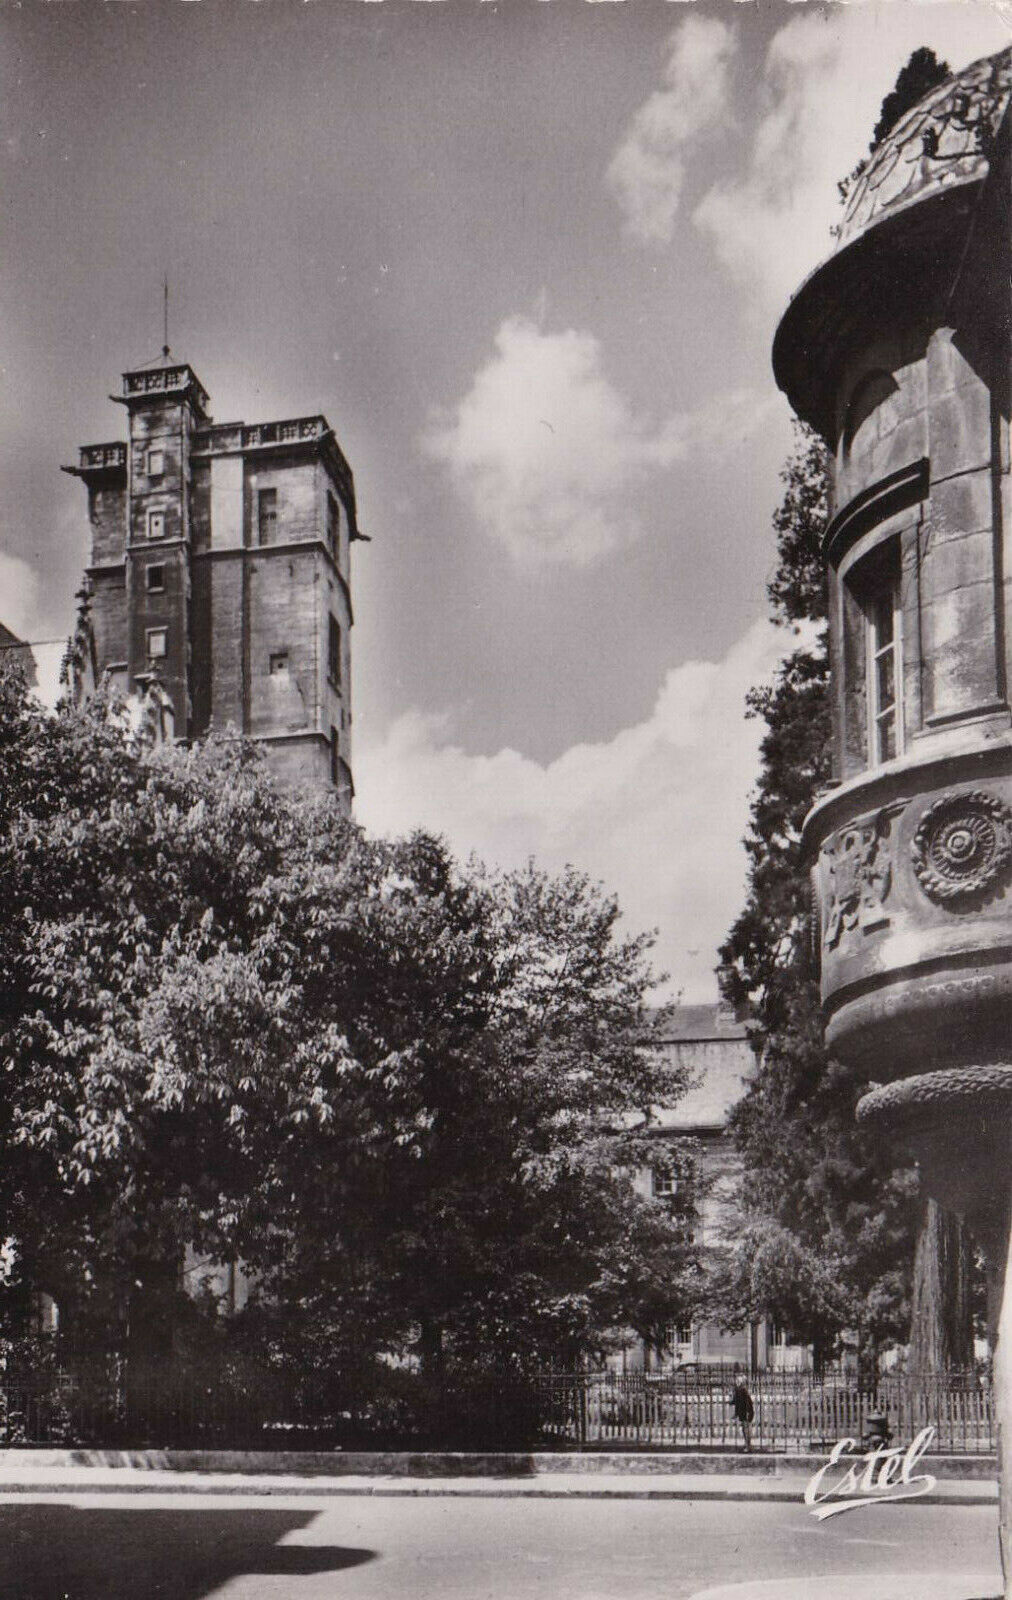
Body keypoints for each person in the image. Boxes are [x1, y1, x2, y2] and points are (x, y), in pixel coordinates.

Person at [731, 1372, 754, 1452]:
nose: (736, 1382)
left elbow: (748, 1402)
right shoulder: (738, 1390)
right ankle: (747, 1444)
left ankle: (748, 1446)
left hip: (746, 1412)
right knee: (744, 1429)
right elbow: (736, 1402)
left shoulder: (743, 1390)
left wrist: (747, 1412)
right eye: (736, 1381)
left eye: (738, 1381)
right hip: (743, 1412)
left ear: (741, 1383)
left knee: (746, 1429)